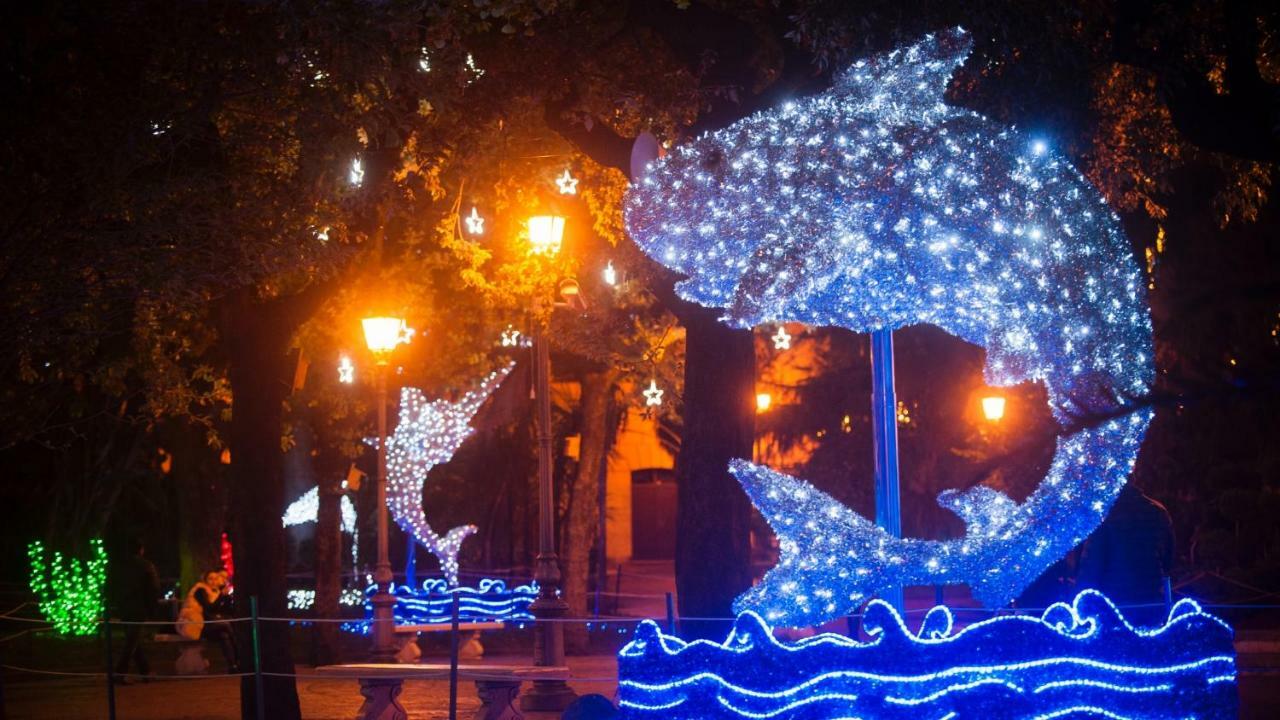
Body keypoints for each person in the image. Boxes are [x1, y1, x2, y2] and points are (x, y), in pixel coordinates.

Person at [1076, 483, 1175, 626]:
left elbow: (1092, 564)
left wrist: (1081, 601)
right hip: (1151, 599)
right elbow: (1168, 558)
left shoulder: (1104, 513)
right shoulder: (1157, 511)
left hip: (1113, 604)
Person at [111, 538, 160, 681]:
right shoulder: (146, 566)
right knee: (132, 641)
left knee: (133, 639)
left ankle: (146, 671)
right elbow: (153, 588)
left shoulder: (119, 566)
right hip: (139, 607)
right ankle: (120, 672)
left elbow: (112, 586)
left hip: (124, 607)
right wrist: (152, 608)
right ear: (141, 550)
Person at [177, 570, 240, 672]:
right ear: (205, 580)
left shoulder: (215, 592)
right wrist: (221, 597)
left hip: (210, 625)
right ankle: (239, 658)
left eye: (215, 579)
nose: (213, 581)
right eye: (210, 578)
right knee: (227, 626)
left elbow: (223, 611)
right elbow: (208, 609)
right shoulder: (200, 590)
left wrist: (226, 597)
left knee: (224, 635)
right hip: (196, 625)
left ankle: (233, 666)